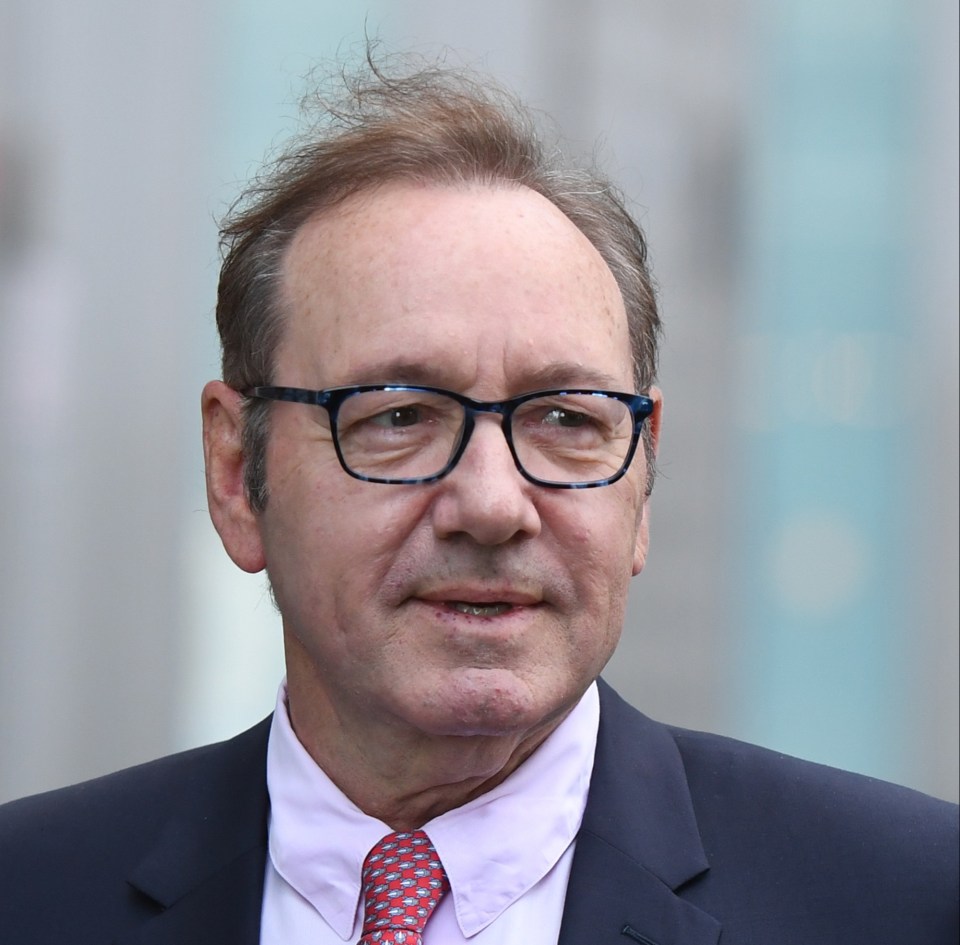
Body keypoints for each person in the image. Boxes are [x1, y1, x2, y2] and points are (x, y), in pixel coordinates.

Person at [0, 56, 956, 945]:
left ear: (644, 476)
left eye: (566, 419)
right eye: (401, 414)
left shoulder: (905, 900)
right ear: (233, 474)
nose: (495, 504)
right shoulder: (33, 892)